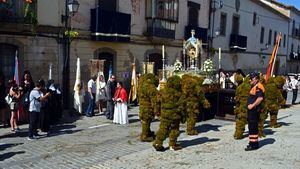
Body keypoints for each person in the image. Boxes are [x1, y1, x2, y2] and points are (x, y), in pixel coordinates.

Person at [245, 72, 265, 151]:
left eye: (252, 78)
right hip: (251, 110)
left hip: (254, 110)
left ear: (256, 79)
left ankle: (254, 145)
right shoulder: (254, 86)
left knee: (253, 127)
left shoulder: (259, 86)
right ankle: (252, 142)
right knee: (251, 127)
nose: (250, 80)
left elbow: (260, 98)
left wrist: (252, 105)